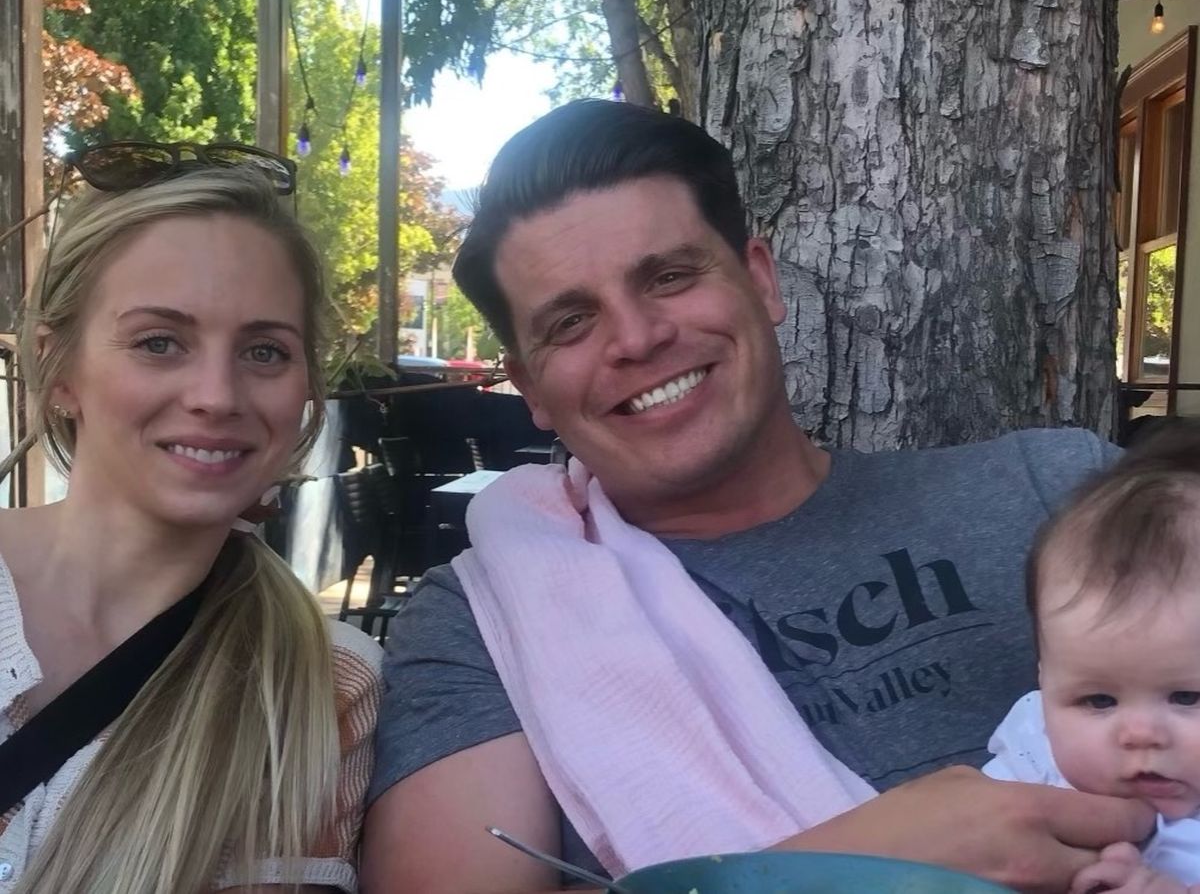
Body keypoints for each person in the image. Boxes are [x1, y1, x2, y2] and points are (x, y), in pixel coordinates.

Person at [361, 99, 1153, 894]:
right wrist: (843, 872)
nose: (636, 338)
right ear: (530, 386)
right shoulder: (487, 622)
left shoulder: (1059, 494)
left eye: (669, 277)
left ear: (762, 279)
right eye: (570, 322)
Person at [0, 153, 381, 893]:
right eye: (159, 342)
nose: (217, 395)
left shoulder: (321, 686)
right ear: (59, 369)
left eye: (264, 352)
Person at [982, 422, 1200, 894]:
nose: (1139, 734)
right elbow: (977, 848)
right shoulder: (1033, 754)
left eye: (1188, 696)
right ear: (1045, 680)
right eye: (1098, 700)